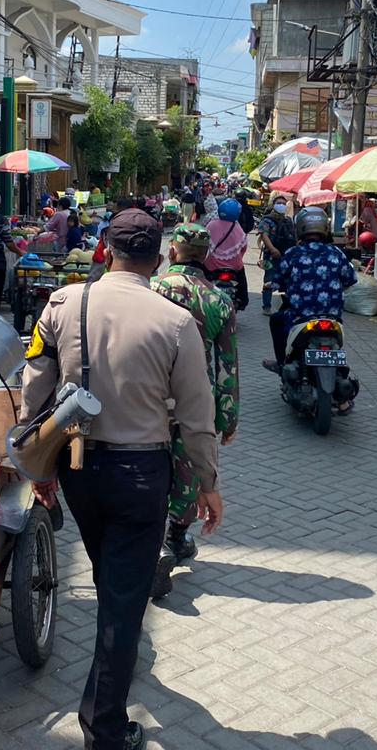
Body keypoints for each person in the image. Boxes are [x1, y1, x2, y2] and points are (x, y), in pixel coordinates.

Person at [21, 209, 222, 750]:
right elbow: (199, 414)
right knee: (122, 603)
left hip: (78, 465)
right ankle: (105, 730)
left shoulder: (62, 303)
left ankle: (111, 688)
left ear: (106, 250)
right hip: (141, 473)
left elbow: (35, 381)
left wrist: (35, 460)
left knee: (115, 583)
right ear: (157, 261)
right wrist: (206, 481)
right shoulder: (176, 320)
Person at [150, 224, 239, 598]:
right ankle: (175, 533)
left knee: (150, 467)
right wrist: (228, 416)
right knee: (189, 474)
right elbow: (227, 366)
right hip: (194, 403)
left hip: (148, 398)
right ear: (205, 256)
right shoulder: (218, 300)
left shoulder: (150, 290)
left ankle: (155, 541)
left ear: (173, 251)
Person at [264, 207, 356, 375]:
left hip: (301, 316)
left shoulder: (293, 253)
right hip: (333, 316)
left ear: (299, 228)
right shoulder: (336, 253)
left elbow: (278, 279)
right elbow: (350, 279)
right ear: (324, 229)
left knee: (276, 320)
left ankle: (281, 363)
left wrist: (272, 284)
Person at [204, 199, 250, 311]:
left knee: (201, 281)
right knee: (242, 284)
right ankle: (241, 301)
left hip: (212, 266)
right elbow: (243, 248)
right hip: (234, 266)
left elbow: (204, 244)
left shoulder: (211, 224)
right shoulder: (238, 228)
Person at [258, 195, 297, 315]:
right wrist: (272, 249)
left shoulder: (288, 220)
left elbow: (294, 237)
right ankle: (266, 306)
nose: (281, 206)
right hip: (271, 255)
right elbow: (264, 235)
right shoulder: (266, 220)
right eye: (279, 203)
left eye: (284, 204)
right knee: (269, 279)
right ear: (274, 205)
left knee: (287, 280)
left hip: (286, 255)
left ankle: (286, 306)